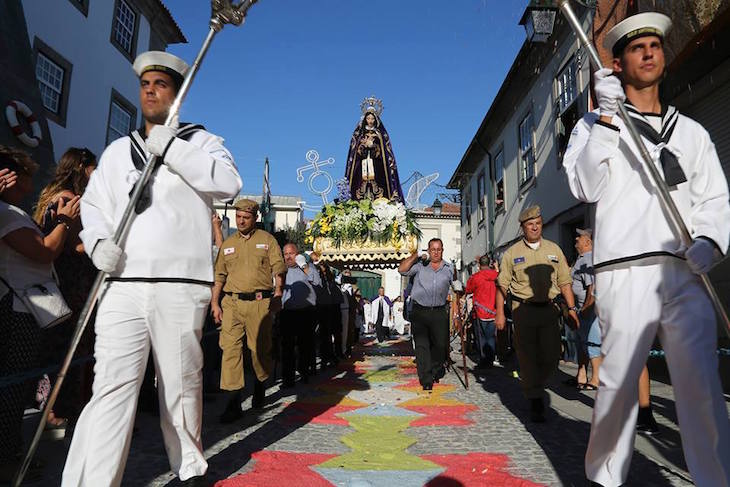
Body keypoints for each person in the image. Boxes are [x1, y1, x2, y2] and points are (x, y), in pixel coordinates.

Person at [563, 12, 730, 486]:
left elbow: (715, 197)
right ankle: (605, 478)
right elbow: (586, 185)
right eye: (637, 47)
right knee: (617, 383)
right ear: (617, 63)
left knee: (701, 386)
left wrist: (711, 241)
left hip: (685, 269)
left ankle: (716, 478)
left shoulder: (693, 132)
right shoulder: (593, 125)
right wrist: (607, 119)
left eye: (655, 44)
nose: (649, 52)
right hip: (625, 269)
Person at [62, 51, 242, 487]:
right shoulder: (117, 152)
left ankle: (189, 469)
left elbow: (228, 184)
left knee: (179, 387)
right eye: (145, 84)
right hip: (123, 282)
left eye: (160, 83)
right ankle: (91, 480)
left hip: (180, 283)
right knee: (111, 388)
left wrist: (174, 149)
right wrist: (100, 242)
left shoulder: (201, 143)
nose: (150, 90)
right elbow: (94, 204)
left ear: (177, 95)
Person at [0, 146, 81, 482]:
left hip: (24, 309)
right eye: (28, 172)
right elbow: (44, 252)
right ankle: (7, 458)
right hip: (16, 310)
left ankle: (11, 451)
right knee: (12, 389)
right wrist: (63, 221)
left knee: (16, 388)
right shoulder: (5, 213)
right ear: (15, 175)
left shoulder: (12, 211)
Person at [32, 147, 98, 431]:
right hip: (74, 282)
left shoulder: (49, 193)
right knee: (73, 349)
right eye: (94, 168)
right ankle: (60, 411)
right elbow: (77, 245)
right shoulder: (70, 199)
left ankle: (49, 408)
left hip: (54, 280)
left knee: (54, 351)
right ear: (83, 167)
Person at [495, 206, 579, 422]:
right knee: (527, 356)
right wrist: (500, 314)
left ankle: (537, 384)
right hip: (523, 311)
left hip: (549, 310)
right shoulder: (512, 253)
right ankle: (535, 398)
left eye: (538, 223)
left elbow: (565, 282)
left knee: (552, 356)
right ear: (523, 227)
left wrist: (571, 309)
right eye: (530, 224)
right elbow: (502, 286)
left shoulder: (554, 250)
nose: (534, 227)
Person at [211, 199, 286, 423]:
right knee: (230, 350)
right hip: (232, 303)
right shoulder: (228, 244)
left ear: (255, 218)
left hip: (259, 303)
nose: (241, 221)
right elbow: (219, 276)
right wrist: (215, 302)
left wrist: (279, 293)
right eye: (238, 217)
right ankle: (233, 402)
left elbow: (278, 270)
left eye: (245, 217)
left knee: (258, 350)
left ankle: (260, 385)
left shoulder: (267, 240)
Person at [399, 238, 455, 390]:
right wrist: (414, 257)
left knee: (440, 345)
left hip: (439, 311)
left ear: (442, 250)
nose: (436, 252)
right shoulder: (419, 266)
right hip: (420, 311)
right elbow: (402, 269)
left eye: (439, 249)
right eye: (433, 249)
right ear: (428, 251)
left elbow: (455, 285)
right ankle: (426, 378)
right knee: (422, 346)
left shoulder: (449, 268)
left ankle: (435, 369)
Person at [343, 99, 404, 201]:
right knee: (359, 186)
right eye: (368, 118)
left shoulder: (380, 134)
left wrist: (374, 146)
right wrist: (363, 145)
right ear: (365, 119)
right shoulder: (359, 134)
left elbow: (385, 152)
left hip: (377, 165)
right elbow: (354, 153)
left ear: (375, 120)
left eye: (372, 118)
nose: (370, 121)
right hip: (362, 164)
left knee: (378, 186)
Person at [280, 243, 319, 387]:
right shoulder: (281, 270)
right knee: (287, 347)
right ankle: (287, 378)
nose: (288, 256)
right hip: (287, 312)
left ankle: (304, 373)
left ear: (298, 254)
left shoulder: (306, 266)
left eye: (291, 253)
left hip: (305, 311)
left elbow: (316, 281)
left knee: (305, 345)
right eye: (286, 254)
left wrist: (303, 265)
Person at [570, 229, 602, 390]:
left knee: (592, 343)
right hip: (580, 309)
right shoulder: (582, 258)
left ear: (588, 242)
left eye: (580, 237)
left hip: (588, 310)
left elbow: (592, 286)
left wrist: (586, 308)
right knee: (581, 343)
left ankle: (596, 378)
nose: (576, 238)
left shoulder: (588, 259)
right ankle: (581, 375)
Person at [465, 254, 500, 370]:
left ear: (479, 265)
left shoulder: (476, 277)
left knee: (481, 338)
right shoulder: (496, 275)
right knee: (490, 337)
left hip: (480, 311)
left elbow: (468, 289)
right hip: (493, 311)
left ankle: (483, 360)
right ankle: (490, 360)